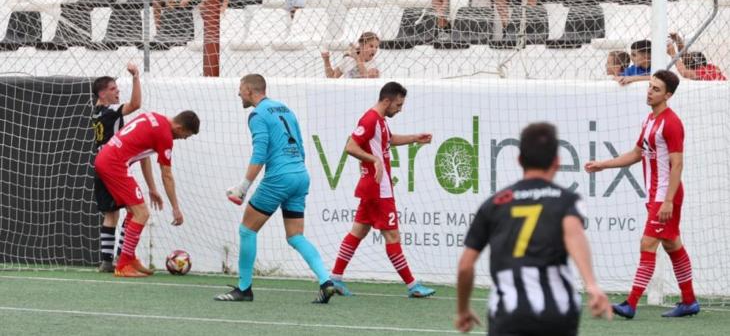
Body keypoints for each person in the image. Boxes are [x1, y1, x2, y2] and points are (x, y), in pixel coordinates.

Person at [455, 122, 612, 334]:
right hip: (557, 311)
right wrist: (591, 284)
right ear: (557, 161)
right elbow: (573, 235)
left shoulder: (495, 203)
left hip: (508, 313)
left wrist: (463, 309)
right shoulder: (567, 200)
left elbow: (465, 266)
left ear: (519, 160)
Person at [585, 70, 700, 319]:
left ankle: (631, 303)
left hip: (666, 196)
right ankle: (689, 301)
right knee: (672, 244)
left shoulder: (671, 123)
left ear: (668, 95)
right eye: (650, 86)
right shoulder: (650, 120)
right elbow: (636, 154)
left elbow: (677, 164)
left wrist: (668, 201)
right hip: (655, 195)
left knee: (647, 244)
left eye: (656, 89)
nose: (650, 92)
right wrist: (603, 164)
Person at [217, 74, 335, 303]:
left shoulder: (257, 115)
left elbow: (259, 153)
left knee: (247, 230)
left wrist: (243, 187)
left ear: (250, 90)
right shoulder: (285, 109)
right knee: (295, 236)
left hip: (279, 178)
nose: (238, 93)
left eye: (241, 89)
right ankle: (326, 281)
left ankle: (244, 289)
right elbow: (300, 146)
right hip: (300, 175)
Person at [329, 82, 436, 298]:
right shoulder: (369, 119)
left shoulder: (381, 121)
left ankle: (335, 278)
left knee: (358, 231)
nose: (400, 109)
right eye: (398, 105)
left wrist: (414, 138)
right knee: (392, 235)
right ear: (386, 101)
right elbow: (350, 146)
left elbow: (389, 140)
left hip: (374, 188)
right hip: (379, 189)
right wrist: (374, 160)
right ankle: (413, 285)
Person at [94, 110, 200, 277]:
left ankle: (129, 258)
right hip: (114, 164)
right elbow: (167, 175)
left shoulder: (154, 117)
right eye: (186, 135)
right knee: (142, 213)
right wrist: (176, 208)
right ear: (180, 128)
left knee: (133, 211)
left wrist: (152, 188)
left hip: (107, 159)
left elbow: (144, 156)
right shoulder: (165, 136)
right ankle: (123, 264)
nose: (184, 139)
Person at [91, 63, 148, 273]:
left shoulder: (96, 112)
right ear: (102, 94)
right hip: (113, 167)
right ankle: (123, 256)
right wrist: (135, 77)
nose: (118, 92)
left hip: (100, 166)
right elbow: (136, 104)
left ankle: (107, 261)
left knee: (111, 215)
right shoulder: (110, 111)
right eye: (113, 89)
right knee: (135, 210)